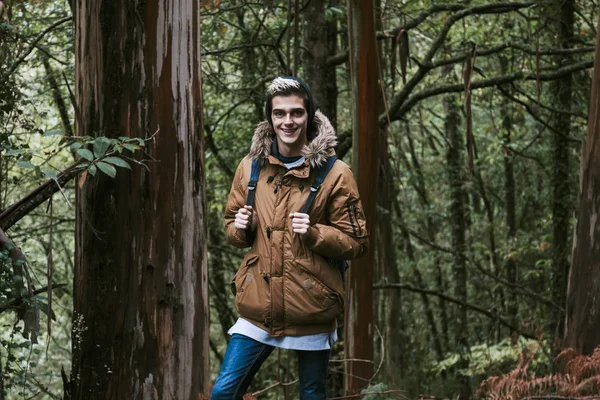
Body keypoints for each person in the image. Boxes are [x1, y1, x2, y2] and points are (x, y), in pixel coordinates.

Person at [211, 76, 369, 400]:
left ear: (308, 115)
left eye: (296, 113)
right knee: (222, 393)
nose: (288, 121)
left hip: (312, 307)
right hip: (259, 307)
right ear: (269, 117)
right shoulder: (249, 167)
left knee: (312, 394)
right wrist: (241, 226)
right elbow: (233, 230)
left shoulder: (337, 173)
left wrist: (314, 233)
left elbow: (357, 242)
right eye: (279, 113)